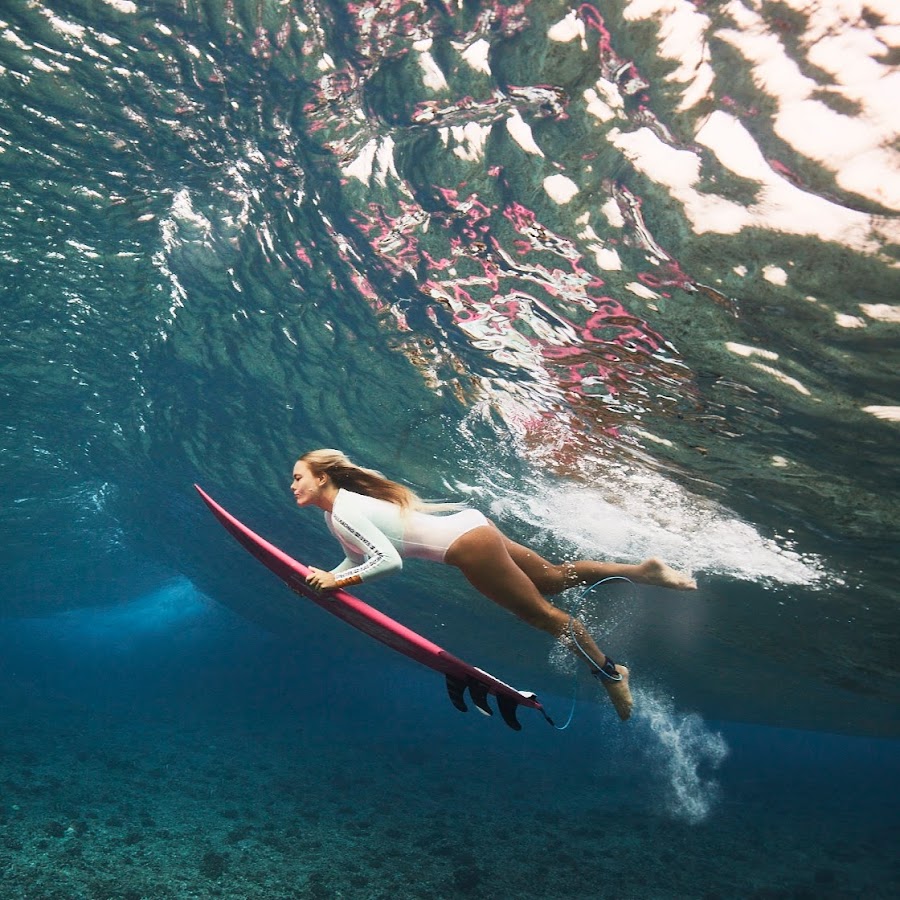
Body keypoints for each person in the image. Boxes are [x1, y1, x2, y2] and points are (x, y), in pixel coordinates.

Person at [291, 449, 697, 721]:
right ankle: (644, 572)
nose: (293, 486)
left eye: (298, 478)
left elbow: (389, 562)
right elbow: (360, 558)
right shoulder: (337, 514)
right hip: (471, 526)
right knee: (553, 578)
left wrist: (335, 580)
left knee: (545, 617)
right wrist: (327, 577)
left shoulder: (343, 510)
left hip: (467, 547)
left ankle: (612, 675)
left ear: (322, 477)